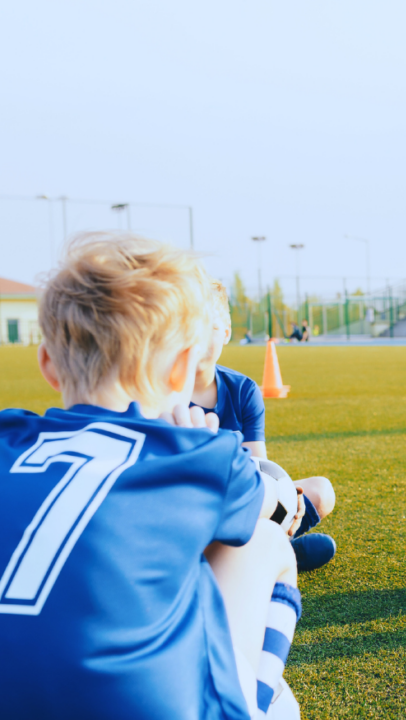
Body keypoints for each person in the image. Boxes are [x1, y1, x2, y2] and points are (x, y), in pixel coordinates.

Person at [0, 234, 303, 718]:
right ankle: (261, 704)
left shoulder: (8, 437)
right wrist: (216, 453)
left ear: (48, 365)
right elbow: (277, 502)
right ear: (184, 365)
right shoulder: (197, 456)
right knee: (266, 543)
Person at [192, 281, 337, 572]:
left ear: (227, 331)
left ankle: (268, 550)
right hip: (192, 506)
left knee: (321, 491)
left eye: (211, 325)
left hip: (243, 500)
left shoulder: (243, 390)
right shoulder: (161, 393)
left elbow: (260, 467)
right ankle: (275, 555)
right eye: (190, 324)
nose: (199, 335)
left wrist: (286, 500)